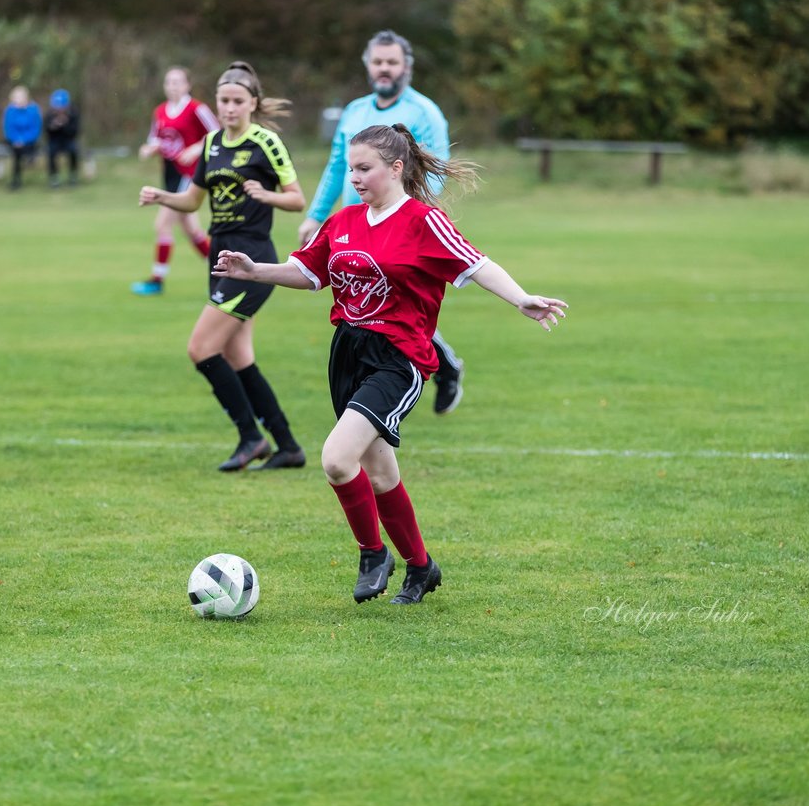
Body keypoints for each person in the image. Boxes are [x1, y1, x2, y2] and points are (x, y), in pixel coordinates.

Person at [213, 124, 566, 604]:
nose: (354, 178)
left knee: (337, 460)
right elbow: (308, 272)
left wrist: (521, 298)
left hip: (398, 359)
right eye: (351, 169)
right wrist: (256, 271)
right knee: (379, 474)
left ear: (396, 168)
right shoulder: (344, 221)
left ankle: (372, 553)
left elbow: (476, 263)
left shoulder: (424, 221)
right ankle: (422, 568)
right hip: (348, 353)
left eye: (365, 169)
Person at [139, 61, 306, 472]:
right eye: (223, 100)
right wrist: (162, 196)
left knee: (200, 348)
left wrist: (266, 197)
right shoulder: (212, 142)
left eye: (237, 101)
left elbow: (297, 199)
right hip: (221, 256)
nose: (229, 108)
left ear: (252, 103)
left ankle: (250, 437)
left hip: (254, 259)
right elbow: (194, 201)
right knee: (237, 355)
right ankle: (287, 446)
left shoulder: (265, 143)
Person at [297, 29, 467, 415]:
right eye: (378, 62)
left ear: (406, 66)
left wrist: (412, 215)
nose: (384, 69)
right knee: (365, 302)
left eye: (392, 62)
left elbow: (433, 167)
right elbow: (336, 165)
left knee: (392, 307)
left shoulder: (425, 113)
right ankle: (383, 386)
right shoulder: (355, 111)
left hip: (398, 224)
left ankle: (435, 367)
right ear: (368, 65)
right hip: (353, 223)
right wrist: (316, 215)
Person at [132, 67, 219, 295]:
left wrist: (195, 149)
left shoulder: (196, 109)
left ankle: (157, 280)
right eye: (169, 82)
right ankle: (222, 272)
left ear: (187, 85)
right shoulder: (160, 111)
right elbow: (156, 140)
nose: (173, 86)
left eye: (178, 82)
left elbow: (218, 134)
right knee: (191, 229)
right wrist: (148, 150)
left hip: (191, 175)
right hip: (171, 175)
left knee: (162, 224)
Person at [2, 86, 42, 190]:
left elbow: (35, 129)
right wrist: (16, 140)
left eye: (20, 97)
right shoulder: (10, 111)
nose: (18, 100)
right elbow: (8, 129)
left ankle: (30, 161)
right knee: (16, 153)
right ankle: (16, 181)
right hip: (14, 142)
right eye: (16, 98)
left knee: (24, 150)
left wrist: (23, 140)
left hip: (29, 141)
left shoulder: (33, 110)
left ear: (26, 98)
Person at [45, 88, 81, 188]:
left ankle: (73, 176)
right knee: (51, 152)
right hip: (54, 141)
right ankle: (54, 177)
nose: (59, 109)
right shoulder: (49, 114)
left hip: (68, 140)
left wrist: (65, 125)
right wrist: (54, 126)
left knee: (73, 150)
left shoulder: (73, 113)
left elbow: (75, 132)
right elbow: (47, 132)